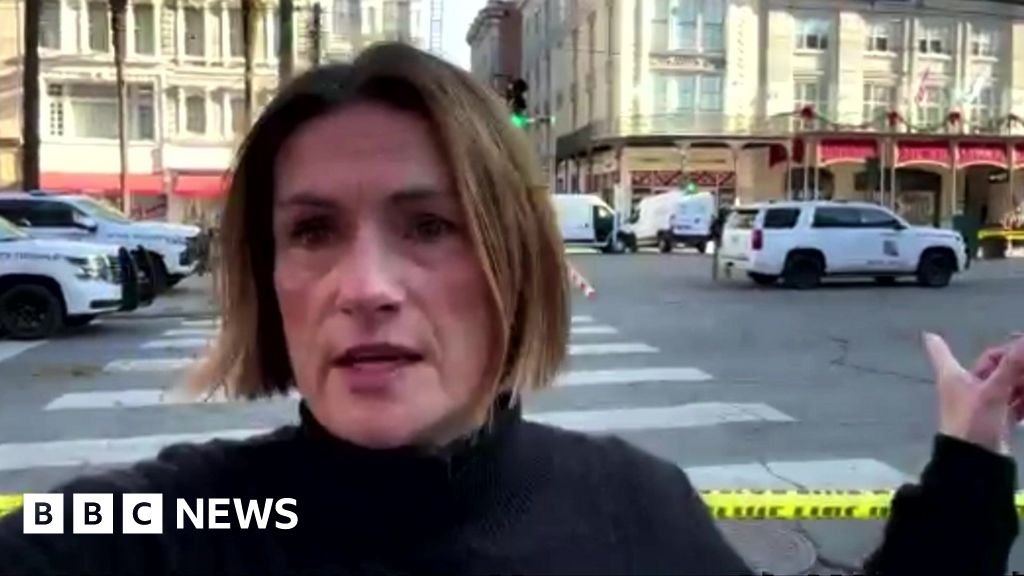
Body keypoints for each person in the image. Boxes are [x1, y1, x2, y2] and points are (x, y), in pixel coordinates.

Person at [0, 42, 1022, 575]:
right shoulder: (183, 521)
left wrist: (968, 470)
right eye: (311, 231)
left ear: (514, 261)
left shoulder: (636, 507)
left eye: (429, 225)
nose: (365, 286)